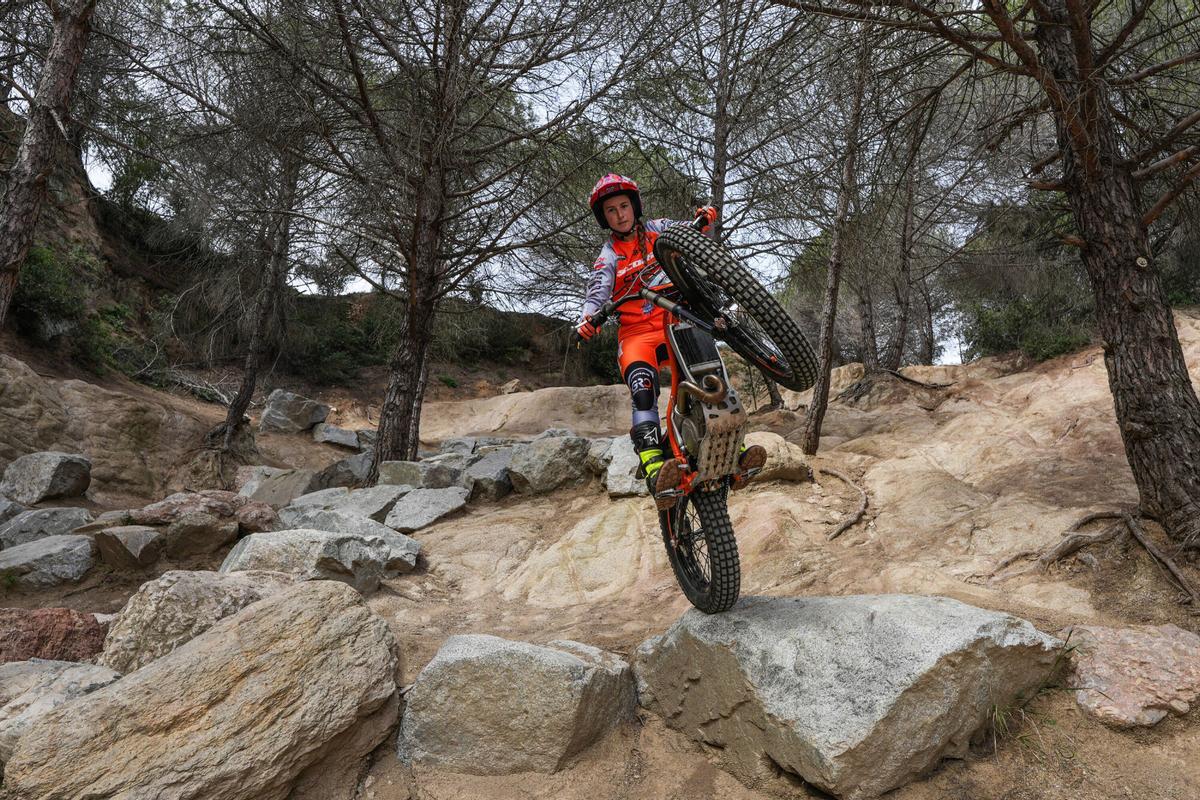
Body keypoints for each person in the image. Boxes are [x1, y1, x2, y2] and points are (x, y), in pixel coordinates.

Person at [575, 173, 764, 506]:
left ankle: (736, 451)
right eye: (611, 211)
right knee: (643, 389)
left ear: (634, 206)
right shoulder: (607, 257)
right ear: (603, 218)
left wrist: (703, 219)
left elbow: (688, 232)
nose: (620, 215)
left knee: (711, 377)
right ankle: (652, 465)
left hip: (676, 320)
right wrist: (588, 318)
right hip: (636, 334)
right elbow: (596, 292)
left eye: (623, 206)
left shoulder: (658, 229)